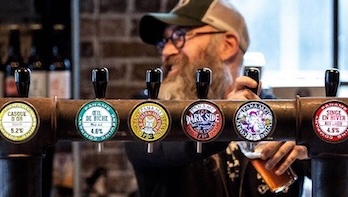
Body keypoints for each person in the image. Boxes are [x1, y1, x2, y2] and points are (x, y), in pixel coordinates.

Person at [126, 0, 309, 196]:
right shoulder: (149, 113)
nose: (166, 51)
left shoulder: (280, 116)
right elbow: (158, 149)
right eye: (164, 42)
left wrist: (315, 152)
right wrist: (227, 117)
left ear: (227, 45)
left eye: (180, 36)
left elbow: (335, 173)